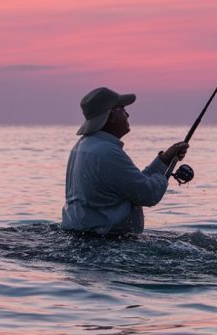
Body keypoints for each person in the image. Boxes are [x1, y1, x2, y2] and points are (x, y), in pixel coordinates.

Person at [61, 87, 189, 235]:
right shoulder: (107, 152)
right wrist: (163, 176)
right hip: (106, 244)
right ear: (111, 116)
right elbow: (148, 195)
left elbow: (131, 185)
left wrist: (164, 160)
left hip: (82, 237)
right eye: (122, 108)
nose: (127, 114)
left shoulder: (83, 146)